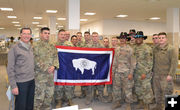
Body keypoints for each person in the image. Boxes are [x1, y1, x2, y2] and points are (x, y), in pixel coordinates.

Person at [7, 27, 35, 110]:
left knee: (30, 105)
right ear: (20, 35)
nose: (27, 35)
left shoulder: (31, 47)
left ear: (31, 35)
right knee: (21, 106)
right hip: (20, 82)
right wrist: (13, 86)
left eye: (28, 34)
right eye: (24, 33)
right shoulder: (14, 48)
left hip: (31, 81)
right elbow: (10, 68)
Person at [33, 27, 59, 110]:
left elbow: (56, 57)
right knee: (39, 96)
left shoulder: (52, 46)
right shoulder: (35, 46)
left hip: (50, 76)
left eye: (48, 33)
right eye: (45, 33)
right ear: (41, 34)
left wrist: (54, 66)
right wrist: (46, 68)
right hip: (40, 76)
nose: (47, 35)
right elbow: (35, 59)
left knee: (49, 95)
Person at [152, 32, 177, 110]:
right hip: (156, 75)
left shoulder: (171, 49)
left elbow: (174, 62)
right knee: (157, 92)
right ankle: (158, 106)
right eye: (159, 38)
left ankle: (168, 107)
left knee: (167, 92)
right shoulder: (155, 49)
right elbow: (153, 60)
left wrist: (171, 74)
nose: (161, 39)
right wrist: (152, 71)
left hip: (166, 75)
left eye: (163, 37)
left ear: (166, 39)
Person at [112, 32, 135, 110]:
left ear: (126, 39)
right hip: (118, 72)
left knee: (127, 89)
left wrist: (131, 73)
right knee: (116, 88)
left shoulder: (130, 49)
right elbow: (115, 61)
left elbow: (133, 63)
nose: (122, 40)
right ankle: (117, 102)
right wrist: (113, 72)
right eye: (121, 38)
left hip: (126, 72)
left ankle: (128, 104)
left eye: (124, 38)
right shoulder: (117, 49)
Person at [133, 31, 154, 110]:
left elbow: (150, 62)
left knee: (146, 89)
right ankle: (141, 103)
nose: (138, 39)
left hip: (144, 73)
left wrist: (145, 73)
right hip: (136, 72)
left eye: (140, 37)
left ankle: (146, 105)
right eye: (137, 37)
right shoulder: (134, 48)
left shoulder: (147, 48)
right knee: (138, 89)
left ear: (142, 38)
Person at [54, 29, 74, 108]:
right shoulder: (54, 45)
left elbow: (74, 56)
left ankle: (70, 100)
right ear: (58, 35)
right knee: (59, 85)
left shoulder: (70, 45)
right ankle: (59, 101)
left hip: (68, 68)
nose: (62, 36)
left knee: (69, 85)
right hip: (58, 68)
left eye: (64, 34)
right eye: (61, 34)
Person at [85, 32, 105, 105]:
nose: (94, 38)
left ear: (98, 37)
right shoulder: (88, 46)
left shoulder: (102, 46)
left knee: (100, 83)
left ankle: (100, 96)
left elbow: (104, 57)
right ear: (91, 37)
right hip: (90, 68)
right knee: (90, 84)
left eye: (96, 36)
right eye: (93, 36)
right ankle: (89, 98)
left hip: (99, 67)